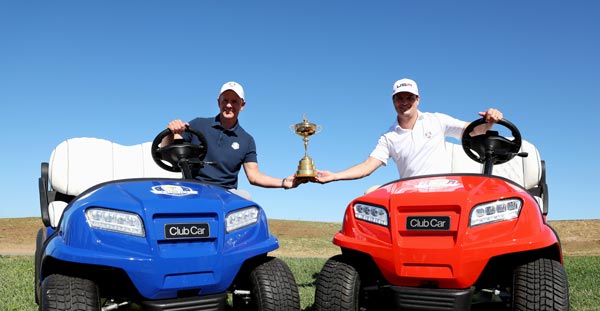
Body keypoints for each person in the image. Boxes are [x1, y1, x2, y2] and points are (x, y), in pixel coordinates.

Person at [314, 78, 504, 184]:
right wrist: (335, 176)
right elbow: (366, 167)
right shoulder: (389, 137)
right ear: (393, 101)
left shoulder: (436, 120)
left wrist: (489, 121)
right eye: (399, 98)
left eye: (409, 98)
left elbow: (472, 131)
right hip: (409, 193)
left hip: (443, 190)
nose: (404, 102)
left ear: (418, 99)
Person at [162, 81, 302, 194]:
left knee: (246, 198)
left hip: (226, 193)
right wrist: (171, 132)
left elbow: (254, 176)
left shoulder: (247, 140)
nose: (229, 105)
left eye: (234, 101)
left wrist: (284, 182)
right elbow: (165, 149)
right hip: (192, 189)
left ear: (242, 105)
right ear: (219, 102)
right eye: (225, 100)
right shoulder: (198, 124)